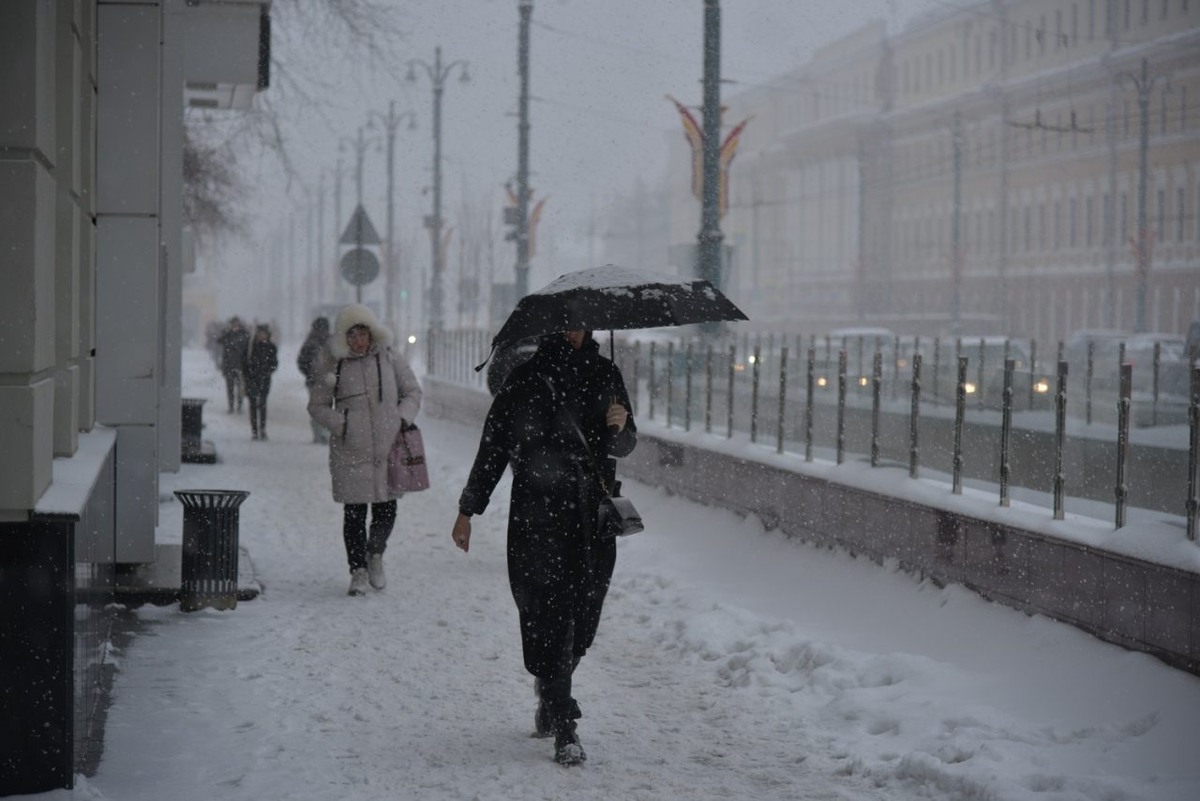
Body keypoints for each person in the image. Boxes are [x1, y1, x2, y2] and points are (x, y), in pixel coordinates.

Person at [450, 329, 637, 766]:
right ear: (551, 327)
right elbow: (493, 448)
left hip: (592, 514)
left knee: (585, 615)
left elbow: (625, 445)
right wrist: (468, 510)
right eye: (566, 323)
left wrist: (621, 427)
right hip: (539, 514)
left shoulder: (606, 373)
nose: (574, 331)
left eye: (581, 323)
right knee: (550, 613)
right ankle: (564, 723)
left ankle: (555, 684)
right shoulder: (527, 377)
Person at [308, 304, 422, 596]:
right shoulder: (332, 363)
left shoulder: (390, 358)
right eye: (353, 334)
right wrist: (342, 424)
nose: (359, 340)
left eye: (364, 333)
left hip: (388, 449)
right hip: (350, 450)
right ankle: (357, 570)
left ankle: (376, 556)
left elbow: (412, 391)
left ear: (372, 334)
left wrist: (401, 418)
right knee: (354, 513)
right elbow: (317, 405)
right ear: (344, 337)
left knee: (387, 509)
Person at [298, 317, 332, 443]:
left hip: (327, 382)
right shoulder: (312, 344)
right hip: (317, 382)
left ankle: (323, 434)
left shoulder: (330, 343)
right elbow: (302, 362)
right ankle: (320, 434)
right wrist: (310, 373)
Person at [245, 324, 279, 440]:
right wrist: (249, 375)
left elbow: (274, 363)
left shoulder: (271, 347)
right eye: (260, 333)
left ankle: (263, 429)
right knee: (253, 405)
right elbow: (245, 362)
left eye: (264, 333)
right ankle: (254, 430)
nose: (262, 336)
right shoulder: (250, 347)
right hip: (252, 379)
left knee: (263, 405)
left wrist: (267, 371)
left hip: (265, 379)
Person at [218, 317, 250, 413]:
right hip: (228, 365)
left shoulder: (244, 334)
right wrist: (227, 332)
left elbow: (246, 345)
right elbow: (219, 341)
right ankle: (231, 406)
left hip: (240, 365)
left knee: (239, 388)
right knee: (230, 388)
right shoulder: (228, 335)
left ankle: (239, 406)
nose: (235, 326)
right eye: (233, 324)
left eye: (237, 324)